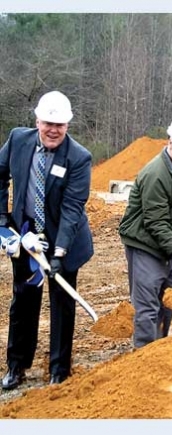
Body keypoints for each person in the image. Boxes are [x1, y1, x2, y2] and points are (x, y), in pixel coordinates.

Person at [0, 90, 94, 389]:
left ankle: (58, 370)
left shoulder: (78, 157)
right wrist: (3, 221)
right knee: (24, 300)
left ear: (68, 125)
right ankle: (17, 365)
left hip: (64, 237)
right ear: (37, 120)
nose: (53, 130)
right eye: (47, 123)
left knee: (62, 304)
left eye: (60, 124)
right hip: (26, 236)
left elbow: (71, 209)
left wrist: (59, 254)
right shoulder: (18, 140)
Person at [119, 114, 172, 348]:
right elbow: (155, 221)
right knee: (147, 306)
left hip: (166, 243)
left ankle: (158, 350)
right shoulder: (156, 173)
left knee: (167, 302)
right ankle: (144, 358)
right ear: (170, 141)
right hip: (146, 245)